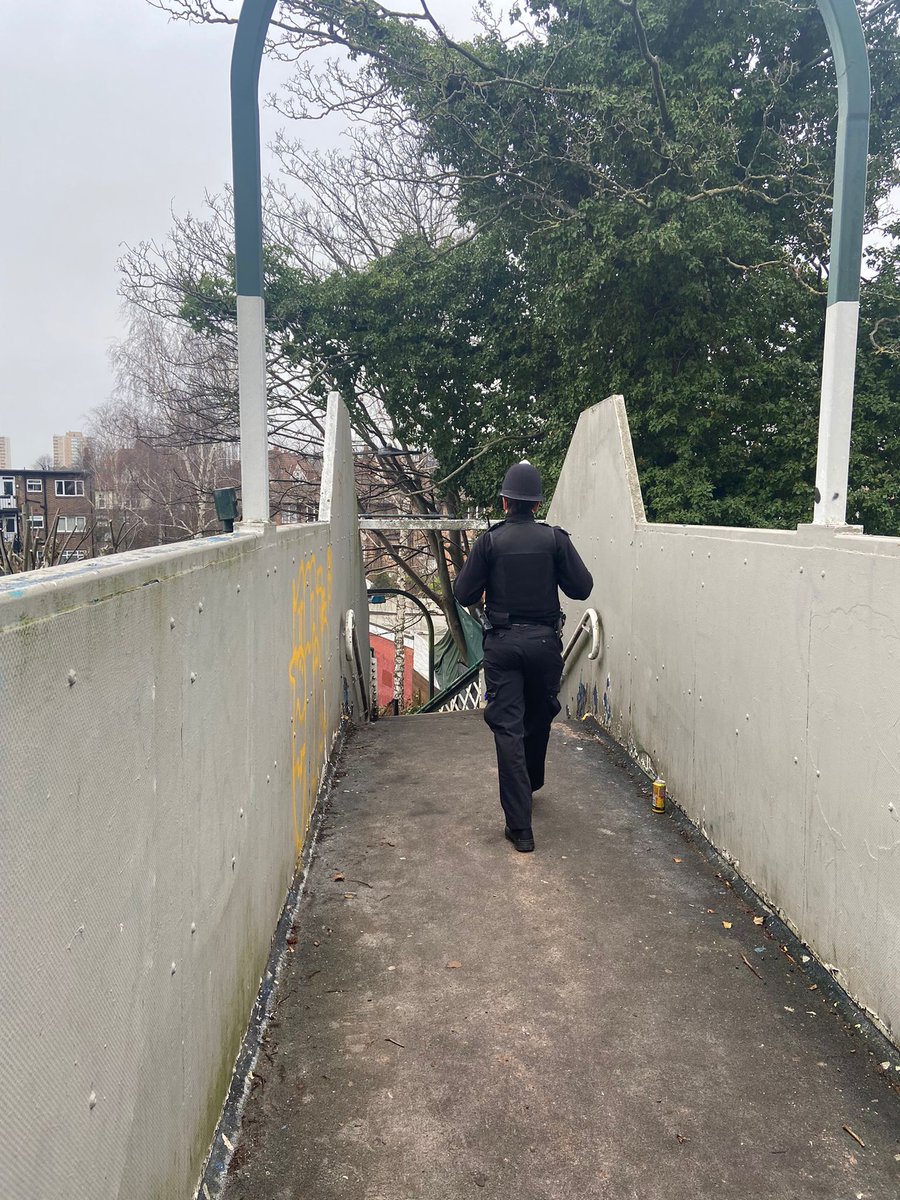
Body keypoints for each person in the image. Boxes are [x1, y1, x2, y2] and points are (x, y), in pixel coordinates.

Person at [453, 461, 593, 853]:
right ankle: (530, 782)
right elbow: (582, 588)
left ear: (504, 502)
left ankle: (521, 828)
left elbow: (463, 593)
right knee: (539, 713)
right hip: (545, 644)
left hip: (503, 646)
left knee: (508, 728)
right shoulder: (555, 540)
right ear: (536, 504)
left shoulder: (490, 542)